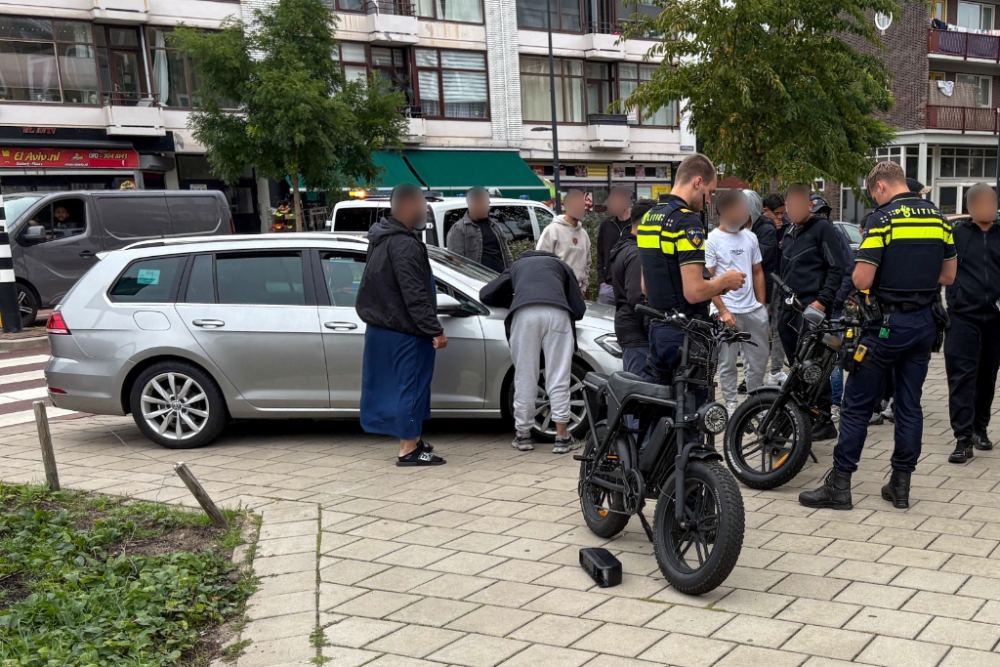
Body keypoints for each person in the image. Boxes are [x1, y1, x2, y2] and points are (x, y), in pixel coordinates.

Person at [799, 161, 956, 510]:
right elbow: (947, 276)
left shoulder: (883, 219)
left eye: (872, 195)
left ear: (881, 187)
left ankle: (839, 485)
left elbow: (862, 280)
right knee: (908, 405)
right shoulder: (939, 220)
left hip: (884, 327)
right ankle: (900, 485)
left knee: (856, 407)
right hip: (923, 326)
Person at [355, 183, 448, 467]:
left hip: (385, 328)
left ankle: (413, 439)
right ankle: (408, 450)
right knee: (410, 388)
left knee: (397, 388)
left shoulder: (382, 238)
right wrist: (435, 329)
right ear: (408, 206)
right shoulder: (404, 244)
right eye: (422, 204)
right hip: (405, 330)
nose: (425, 210)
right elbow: (414, 293)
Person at [638, 153, 746, 397]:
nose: (709, 202)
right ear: (697, 182)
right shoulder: (688, 222)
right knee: (691, 418)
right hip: (685, 334)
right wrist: (723, 282)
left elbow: (645, 286)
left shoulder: (649, 218)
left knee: (662, 410)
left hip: (657, 330)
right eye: (710, 192)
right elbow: (694, 291)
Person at [480, 250, 587, 453]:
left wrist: (516, 298)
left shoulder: (517, 266)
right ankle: (562, 437)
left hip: (524, 315)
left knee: (524, 375)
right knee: (558, 376)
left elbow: (486, 294)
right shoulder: (561, 266)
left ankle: (523, 436)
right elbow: (579, 309)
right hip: (557, 315)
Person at [777, 185, 846, 442]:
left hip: (812, 310)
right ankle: (801, 415)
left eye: (799, 204)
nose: (793, 210)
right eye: (789, 205)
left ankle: (823, 418)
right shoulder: (789, 233)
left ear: (809, 205)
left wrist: (822, 301)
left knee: (815, 364)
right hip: (788, 311)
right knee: (797, 367)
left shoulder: (822, 229)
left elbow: (837, 268)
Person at [945, 183, 1000, 463]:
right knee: (961, 377)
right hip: (963, 317)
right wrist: (952, 303)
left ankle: (980, 428)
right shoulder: (956, 235)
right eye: (982, 203)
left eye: (992, 203)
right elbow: (943, 271)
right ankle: (962, 439)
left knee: (987, 377)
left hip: (995, 319)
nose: (988, 208)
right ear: (971, 207)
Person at [706, 190, 769, 415]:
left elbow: (758, 271)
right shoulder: (712, 240)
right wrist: (723, 310)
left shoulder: (750, 237)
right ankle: (732, 405)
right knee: (727, 362)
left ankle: (756, 404)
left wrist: (762, 306)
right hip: (726, 310)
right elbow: (708, 280)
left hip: (752, 309)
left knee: (758, 362)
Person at [811, 194, 857, 423]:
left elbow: (848, 269)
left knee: (833, 356)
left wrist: (836, 299)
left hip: (832, 307)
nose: (821, 217)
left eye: (824, 213)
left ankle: (835, 402)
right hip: (812, 307)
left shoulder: (835, 235)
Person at [610, 199, 656, 378]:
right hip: (637, 333)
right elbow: (637, 298)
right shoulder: (637, 253)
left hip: (630, 328)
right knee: (642, 392)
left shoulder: (624, 246)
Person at [537, 189, 591, 295]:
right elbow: (540, 261)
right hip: (556, 291)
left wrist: (584, 287)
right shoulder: (552, 230)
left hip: (577, 292)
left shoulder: (584, 235)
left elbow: (587, 264)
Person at [446, 187, 513, 273]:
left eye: (486, 202)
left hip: (500, 279)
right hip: (477, 282)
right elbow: (456, 261)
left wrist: (511, 274)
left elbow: (507, 255)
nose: (486, 207)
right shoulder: (459, 229)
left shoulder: (495, 227)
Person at [761, 193, 788, 385]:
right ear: (765, 212)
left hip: (779, 285)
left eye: (782, 214)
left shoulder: (785, 230)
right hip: (762, 286)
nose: (780, 218)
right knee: (760, 330)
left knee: (778, 329)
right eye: (776, 214)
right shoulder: (762, 229)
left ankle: (776, 370)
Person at [597, 186, 634, 305]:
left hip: (631, 287)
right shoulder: (606, 225)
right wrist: (602, 281)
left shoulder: (637, 225)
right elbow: (600, 254)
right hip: (608, 287)